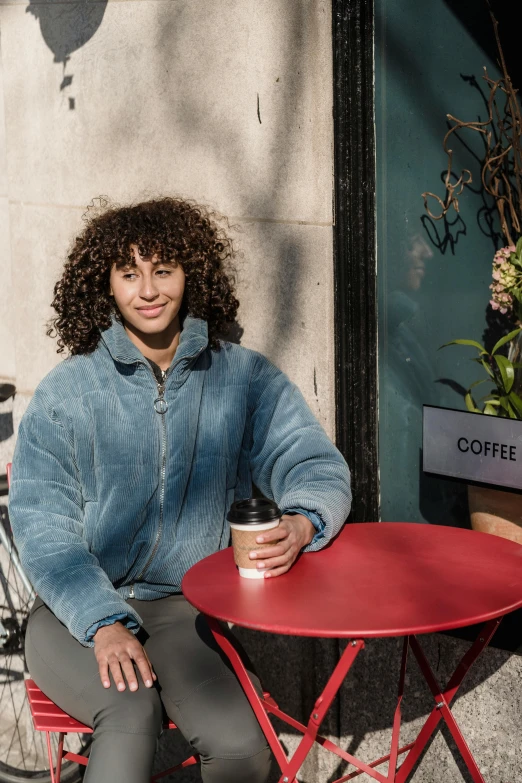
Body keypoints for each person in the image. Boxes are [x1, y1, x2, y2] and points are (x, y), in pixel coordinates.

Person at [9, 197, 352, 783]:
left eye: (163, 269)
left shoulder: (241, 378)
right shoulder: (69, 392)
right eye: (129, 273)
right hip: (75, 614)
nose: (147, 290)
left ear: (191, 274)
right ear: (106, 286)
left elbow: (313, 461)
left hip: (186, 612)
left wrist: (303, 522)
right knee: (129, 712)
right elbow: (43, 529)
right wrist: (103, 622)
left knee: (241, 743)